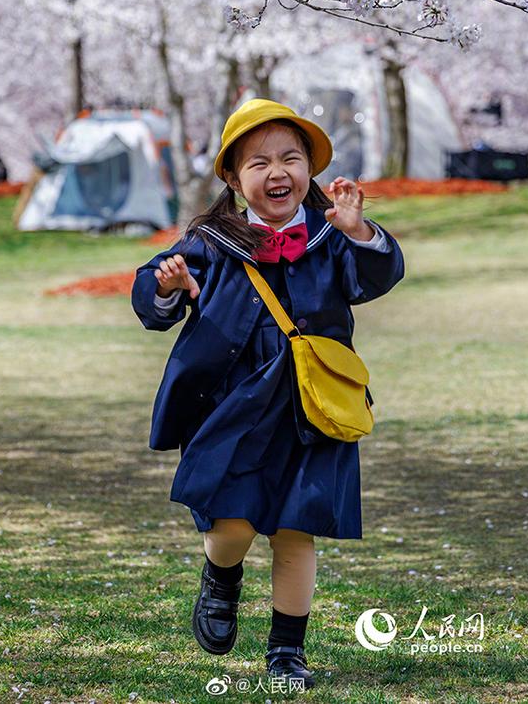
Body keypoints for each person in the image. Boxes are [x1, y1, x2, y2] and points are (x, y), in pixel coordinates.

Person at [131, 98, 405, 689]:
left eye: (290, 158)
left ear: (310, 169)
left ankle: (286, 651)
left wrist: (360, 233)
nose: (277, 172)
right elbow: (150, 295)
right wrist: (173, 287)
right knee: (231, 524)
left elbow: (378, 277)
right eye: (258, 163)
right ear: (233, 178)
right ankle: (221, 578)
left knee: (295, 528)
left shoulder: (329, 237)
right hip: (232, 405)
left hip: (313, 406)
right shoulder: (211, 240)